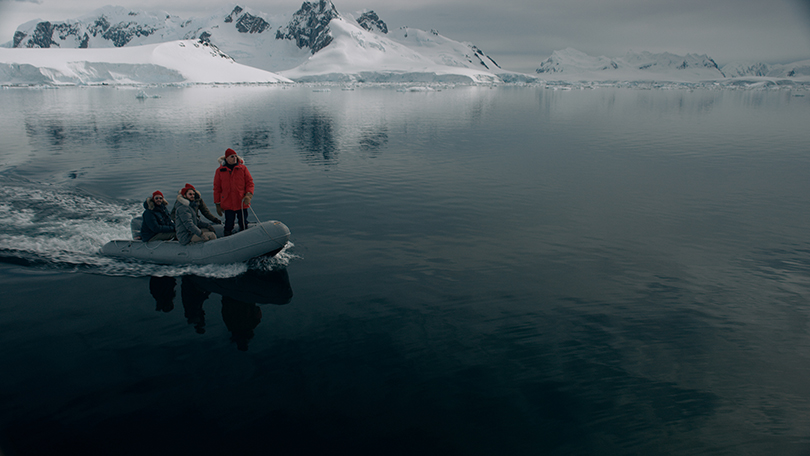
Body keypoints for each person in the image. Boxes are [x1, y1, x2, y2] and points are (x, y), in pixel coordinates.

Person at [213, 148, 254, 236]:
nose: (234, 158)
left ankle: (244, 236)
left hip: (241, 201)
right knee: (229, 222)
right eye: (232, 156)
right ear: (227, 158)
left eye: (235, 156)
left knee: (243, 222)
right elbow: (217, 188)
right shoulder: (220, 171)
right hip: (228, 203)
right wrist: (217, 204)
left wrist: (249, 195)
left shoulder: (243, 168)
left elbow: (250, 183)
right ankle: (227, 237)